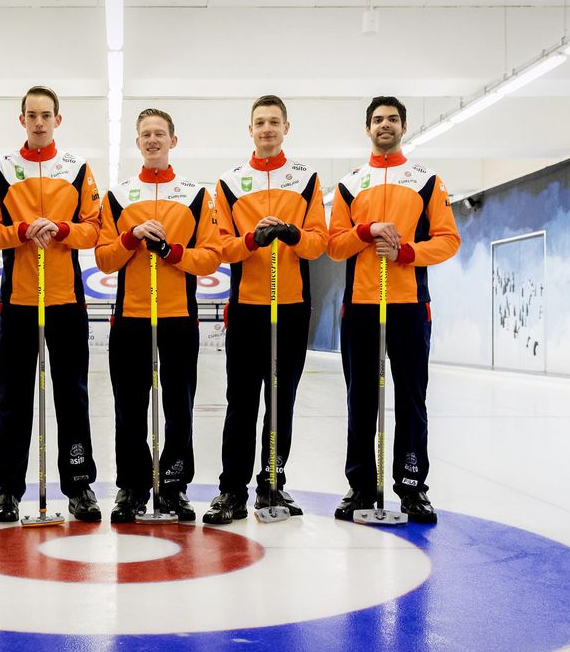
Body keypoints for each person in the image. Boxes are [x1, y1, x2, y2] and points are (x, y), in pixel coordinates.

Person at [327, 96, 461, 524]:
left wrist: (407, 252)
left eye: (393, 119)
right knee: (360, 400)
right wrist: (365, 231)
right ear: (367, 128)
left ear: (404, 126)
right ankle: (361, 486)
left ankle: (411, 485)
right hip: (362, 306)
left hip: (408, 307)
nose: (385, 125)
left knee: (411, 398)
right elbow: (334, 245)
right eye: (378, 120)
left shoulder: (426, 181)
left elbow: (448, 240)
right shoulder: (351, 184)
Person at [0, 86, 103, 522]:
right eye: (31, 115)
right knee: (13, 399)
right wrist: (24, 230)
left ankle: (80, 484)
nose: (39, 122)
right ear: (22, 120)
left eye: (46, 115)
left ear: (58, 120)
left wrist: (63, 230)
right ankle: (8, 490)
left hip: (67, 300)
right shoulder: (1, 169)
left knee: (74, 396)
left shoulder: (77, 169)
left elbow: (94, 230)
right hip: (19, 300)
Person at [203, 95, 328, 525]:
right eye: (260, 122)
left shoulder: (306, 179)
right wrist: (254, 240)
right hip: (247, 309)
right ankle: (231, 491)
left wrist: (291, 233)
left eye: (275, 122)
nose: (267, 129)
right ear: (250, 130)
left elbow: (319, 243)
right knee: (241, 402)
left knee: (281, 402)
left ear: (286, 128)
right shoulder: (230, 182)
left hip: (291, 307)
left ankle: (272, 483)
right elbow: (221, 248)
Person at [95, 108, 222, 523]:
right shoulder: (118, 196)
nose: (153, 140)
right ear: (138, 143)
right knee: (129, 406)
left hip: (178, 317)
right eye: (146, 134)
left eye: (160, 134)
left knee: (178, 406)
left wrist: (171, 253)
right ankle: (131, 487)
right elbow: (103, 260)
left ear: (173, 141)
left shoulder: (196, 195)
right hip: (130, 317)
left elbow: (210, 258)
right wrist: (131, 239)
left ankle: (173, 485)